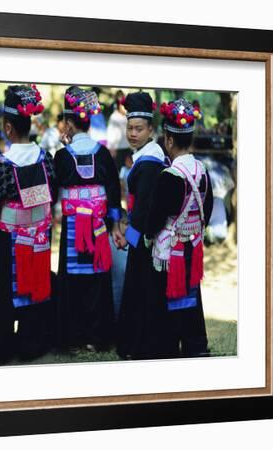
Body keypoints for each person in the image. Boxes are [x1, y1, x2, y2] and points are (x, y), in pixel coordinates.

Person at [0, 85, 57, 362]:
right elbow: (54, 191)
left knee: (6, 290)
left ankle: (2, 346)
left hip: (9, 240)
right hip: (39, 236)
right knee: (36, 287)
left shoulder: (3, 164)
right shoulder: (45, 159)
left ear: (8, 128)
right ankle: (32, 342)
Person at [54, 86, 124, 351]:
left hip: (73, 225)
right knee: (97, 276)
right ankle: (97, 337)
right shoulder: (103, 153)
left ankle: (72, 336)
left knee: (72, 278)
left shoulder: (62, 156)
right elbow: (114, 192)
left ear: (69, 123)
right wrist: (115, 222)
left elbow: (54, 190)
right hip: (97, 224)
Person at [144, 98, 213, 357]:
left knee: (166, 298)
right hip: (192, 246)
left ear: (169, 141)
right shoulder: (203, 171)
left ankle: (167, 348)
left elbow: (156, 215)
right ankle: (195, 345)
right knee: (191, 295)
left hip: (168, 250)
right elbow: (208, 207)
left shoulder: (169, 176)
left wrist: (149, 236)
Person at [115, 91, 167, 359]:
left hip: (146, 238)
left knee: (142, 290)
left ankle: (140, 346)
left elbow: (144, 210)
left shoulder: (149, 162)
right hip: (143, 233)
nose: (132, 133)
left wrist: (129, 237)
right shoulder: (146, 155)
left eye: (139, 128)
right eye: (129, 127)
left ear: (151, 129)